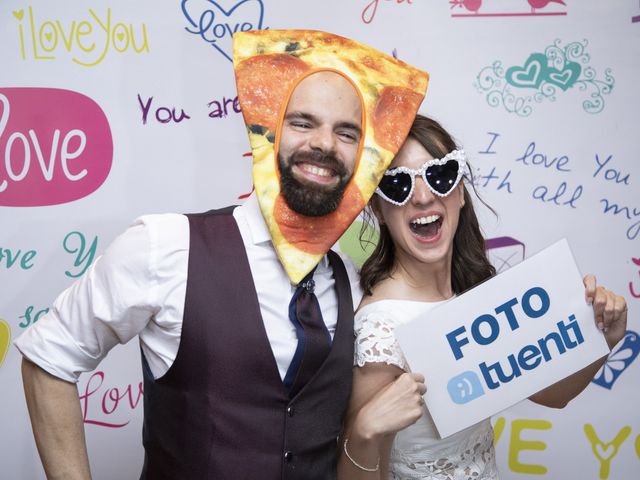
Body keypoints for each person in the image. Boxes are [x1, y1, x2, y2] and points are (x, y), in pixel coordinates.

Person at [15, 30, 428, 479]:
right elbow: (48, 358)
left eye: (346, 132)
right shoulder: (167, 245)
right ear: (269, 129)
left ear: (363, 156)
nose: (324, 144)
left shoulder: (351, 280)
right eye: (303, 122)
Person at [337, 115, 628, 479]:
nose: (424, 196)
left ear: (459, 193)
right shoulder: (379, 328)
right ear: (379, 209)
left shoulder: (471, 297)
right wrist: (364, 430)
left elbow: (550, 395)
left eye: (440, 177)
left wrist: (603, 338)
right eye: (398, 185)